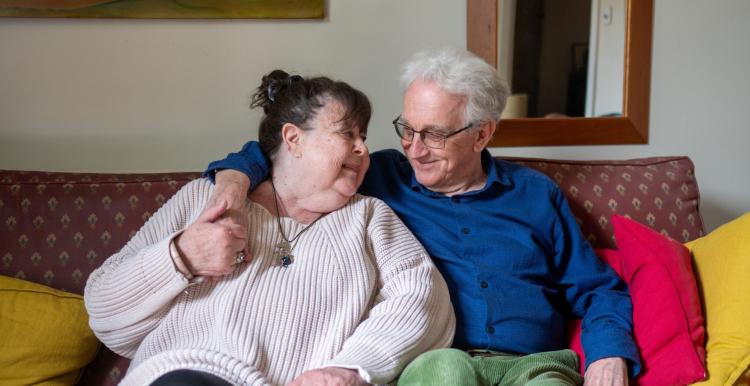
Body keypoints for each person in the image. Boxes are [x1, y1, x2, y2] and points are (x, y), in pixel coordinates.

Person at [205, 48, 642, 385]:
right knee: (446, 371)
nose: (414, 148)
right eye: (407, 129)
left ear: (482, 133)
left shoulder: (535, 195)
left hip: (532, 363)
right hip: (434, 358)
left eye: (433, 134)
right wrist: (234, 179)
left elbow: (597, 288)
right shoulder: (380, 177)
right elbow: (282, 155)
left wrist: (609, 353)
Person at [84, 70, 455, 386]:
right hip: (184, 374)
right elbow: (104, 315)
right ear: (293, 139)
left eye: (364, 138)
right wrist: (181, 257)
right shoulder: (207, 199)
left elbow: (424, 301)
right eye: (348, 134)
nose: (363, 150)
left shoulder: (369, 217)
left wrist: (352, 367)